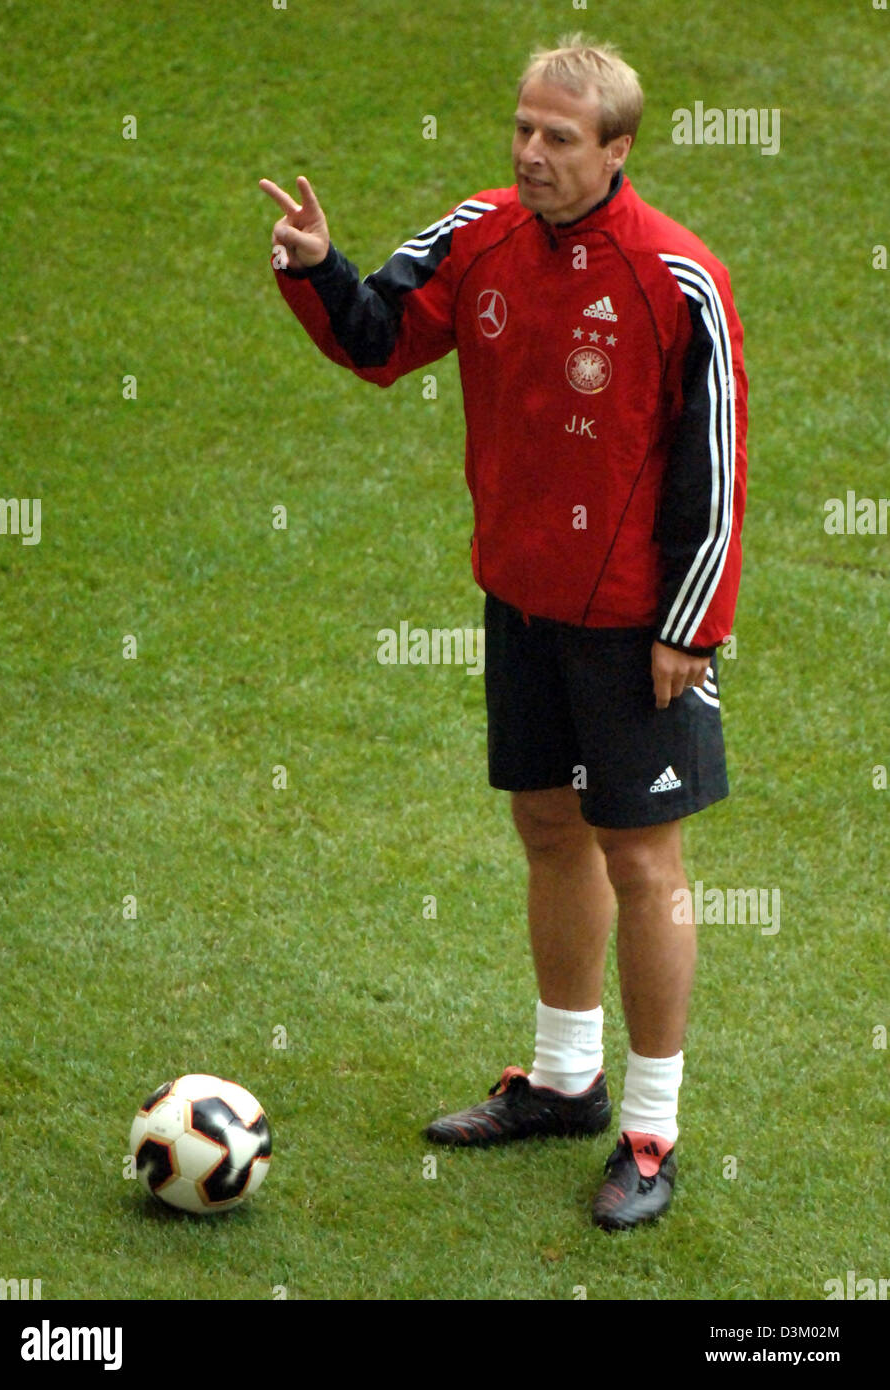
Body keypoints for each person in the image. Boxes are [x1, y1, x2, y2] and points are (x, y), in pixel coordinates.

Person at [261, 34, 747, 1231]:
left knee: (642, 860)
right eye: (522, 129)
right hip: (521, 599)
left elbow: (716, 466)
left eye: (558, 138)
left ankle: (648, 1127)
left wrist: (690, 625)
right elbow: (378, 339)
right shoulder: (478, 232)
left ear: (617, 150)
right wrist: (321, 268)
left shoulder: (677, 277)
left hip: (639, 624)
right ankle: (564, 1080)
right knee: (546, 827)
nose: (529, 153)